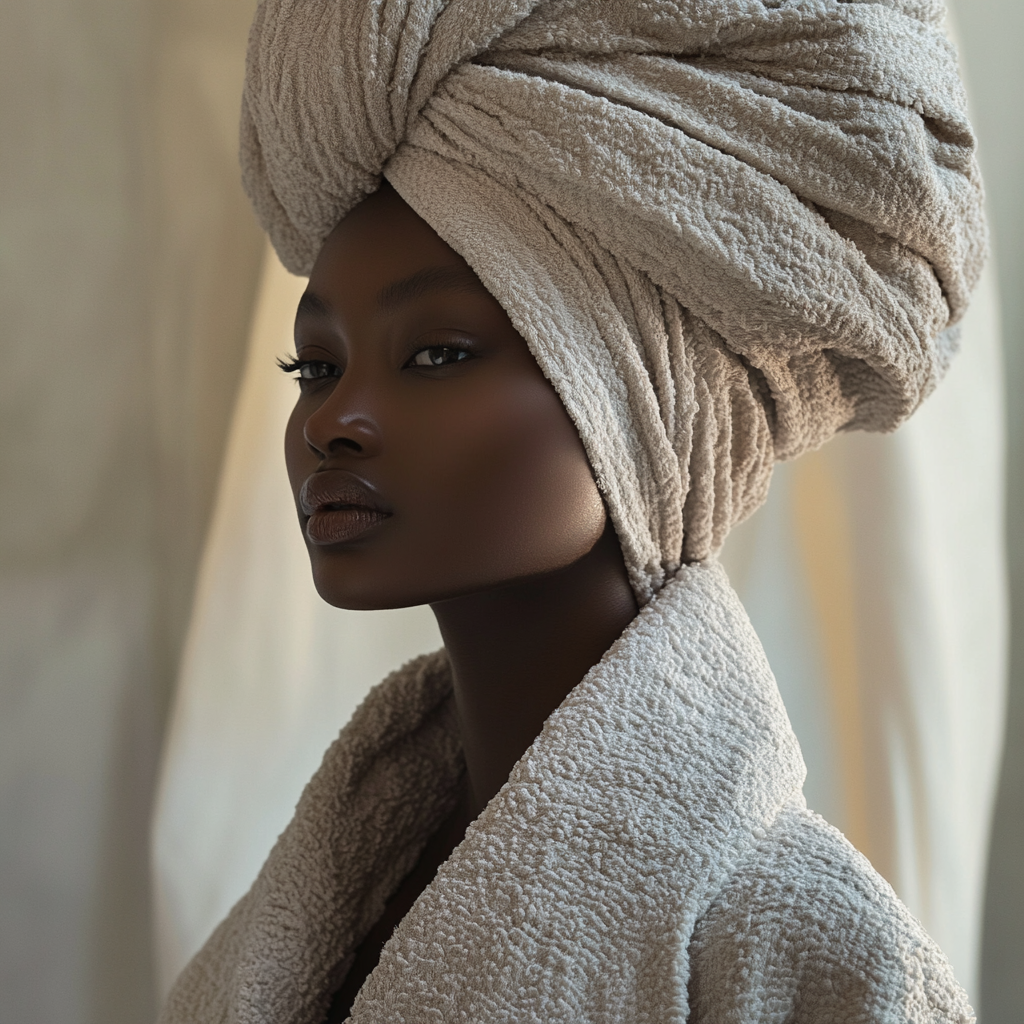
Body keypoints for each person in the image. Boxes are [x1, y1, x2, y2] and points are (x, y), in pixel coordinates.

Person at [159, 0, 986, 1021]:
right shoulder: (304, 919)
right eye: (315, 364)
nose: (337, 418)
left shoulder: (817, 967)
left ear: (643, 403)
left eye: (437, 353)